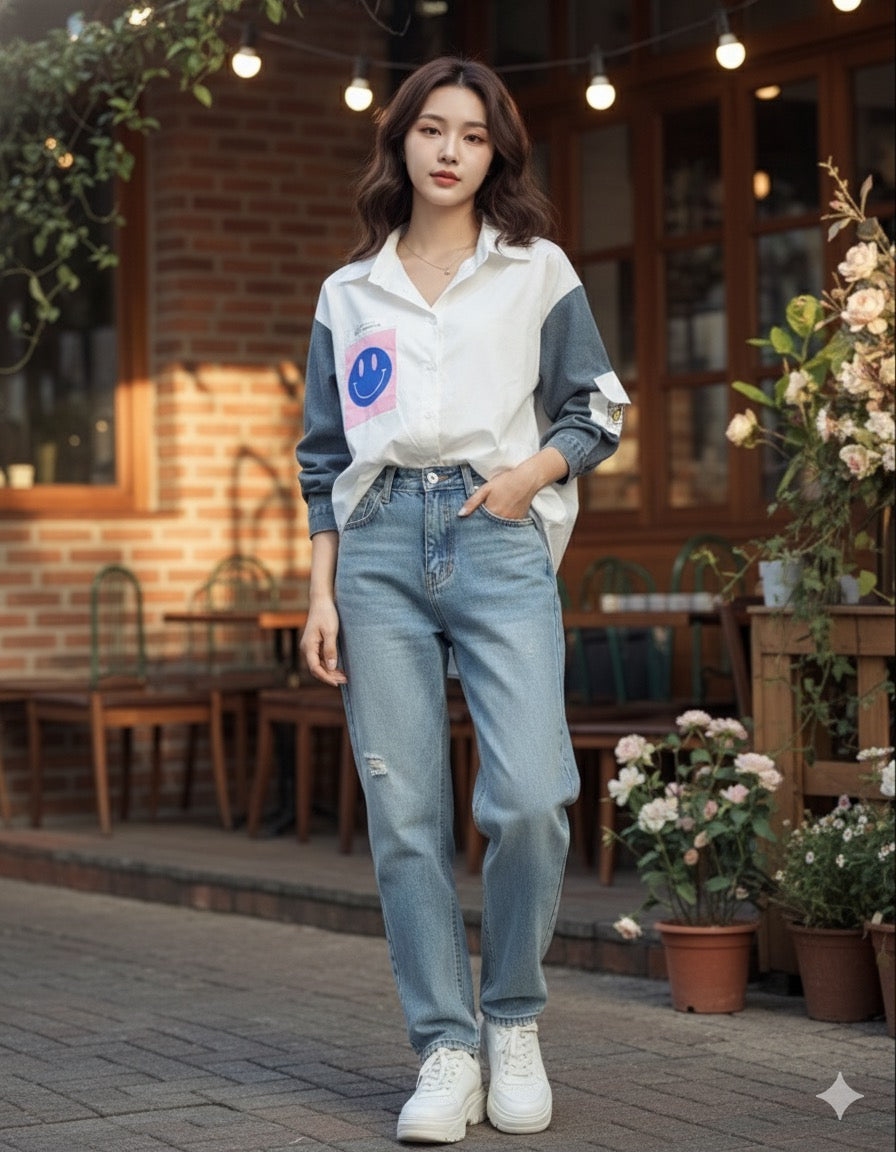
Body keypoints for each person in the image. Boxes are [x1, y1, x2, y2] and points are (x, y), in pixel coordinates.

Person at [297, 56, 628, 1145]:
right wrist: (321, 592)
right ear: (398, 142)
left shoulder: (534, 271)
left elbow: (596, 409)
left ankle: (513, 1021)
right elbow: (320, 458)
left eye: (471, 135)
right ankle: (443, 1049)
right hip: (379, 545)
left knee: (531, 794)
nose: (447, 150)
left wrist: (529, 477)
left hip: (496, 536)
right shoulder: (349, 294)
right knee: (403, 817)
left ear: (496, 154)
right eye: (430, 129)